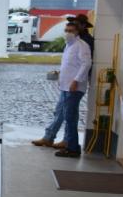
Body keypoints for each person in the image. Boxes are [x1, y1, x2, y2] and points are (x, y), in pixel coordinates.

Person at [33, 22, 92, 158]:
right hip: (66, 86)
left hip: (74, 87)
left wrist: (76, 80)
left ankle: (72, 148)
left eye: (71, 30)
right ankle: (66, 143)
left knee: (70, 117)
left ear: (77, 32)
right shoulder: (68, 46)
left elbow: (86, 64)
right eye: (66, 30)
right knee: (66, 114)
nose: (67, 32)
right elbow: (70, 64)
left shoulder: (81, 46)